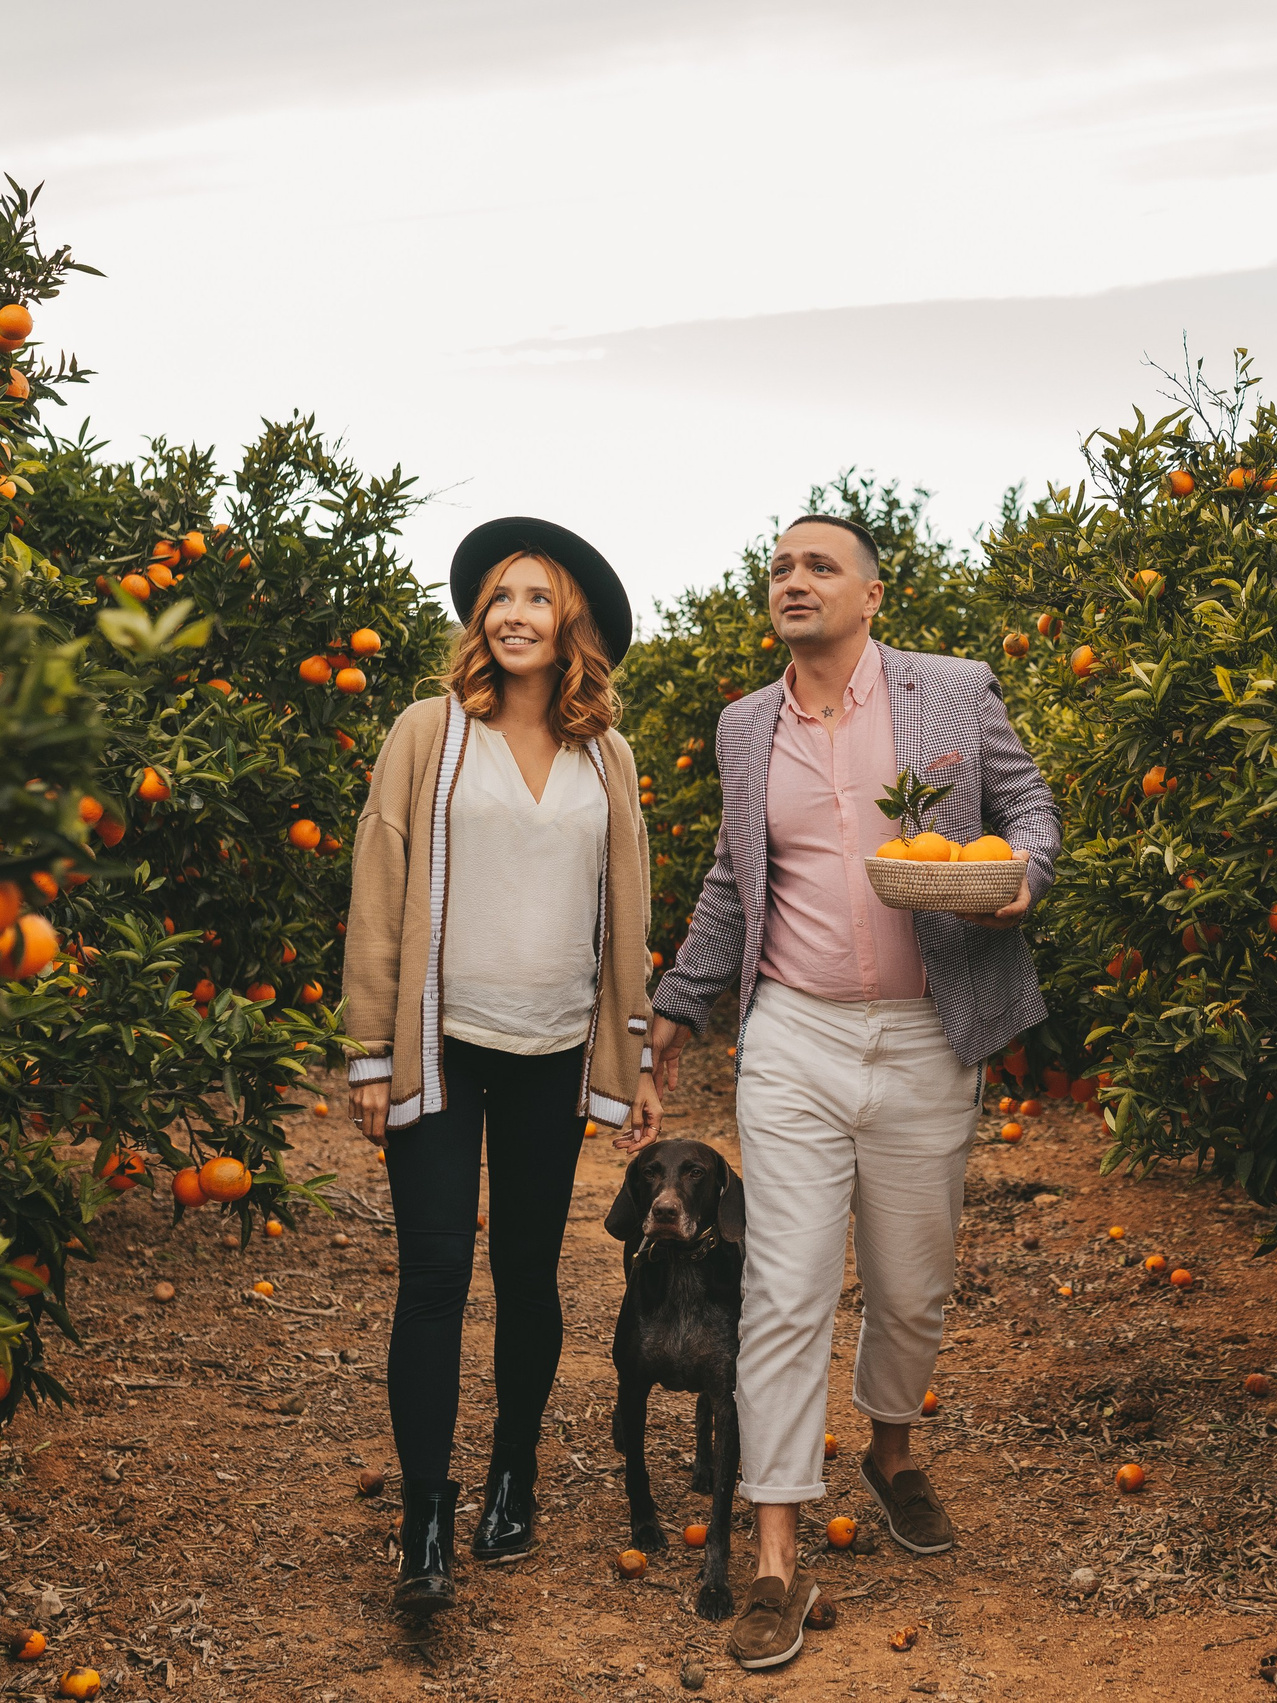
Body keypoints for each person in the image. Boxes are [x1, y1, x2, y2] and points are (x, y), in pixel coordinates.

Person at [645, 513, 1060, 1671]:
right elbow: (734, 877)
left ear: (872, 594)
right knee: (782, 1286)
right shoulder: (743, 725)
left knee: (911, 1281)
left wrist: (1020, 868)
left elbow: (1031, 811)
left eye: (819, 565)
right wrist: (679, 1005)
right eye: (779, 566)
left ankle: (889, 1445)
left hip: (930, 1029)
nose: (793, 580)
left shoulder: (950, 692)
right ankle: (776, 1548)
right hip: (795, 1036)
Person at [343, 516, 663, 1614]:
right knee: (433, 1277)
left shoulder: (605, 754)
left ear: (571, 622)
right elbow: (379, 885)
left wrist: (633, 1047)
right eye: (500, 596)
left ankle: (513, 1469)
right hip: (441, 1044)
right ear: (479, 619)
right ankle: (425, 1517)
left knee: (528, 1276)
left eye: (538, 597)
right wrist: (369, 1050)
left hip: (555, 1046)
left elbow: (628, 915)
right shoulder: (430, 731)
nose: (515, 612)